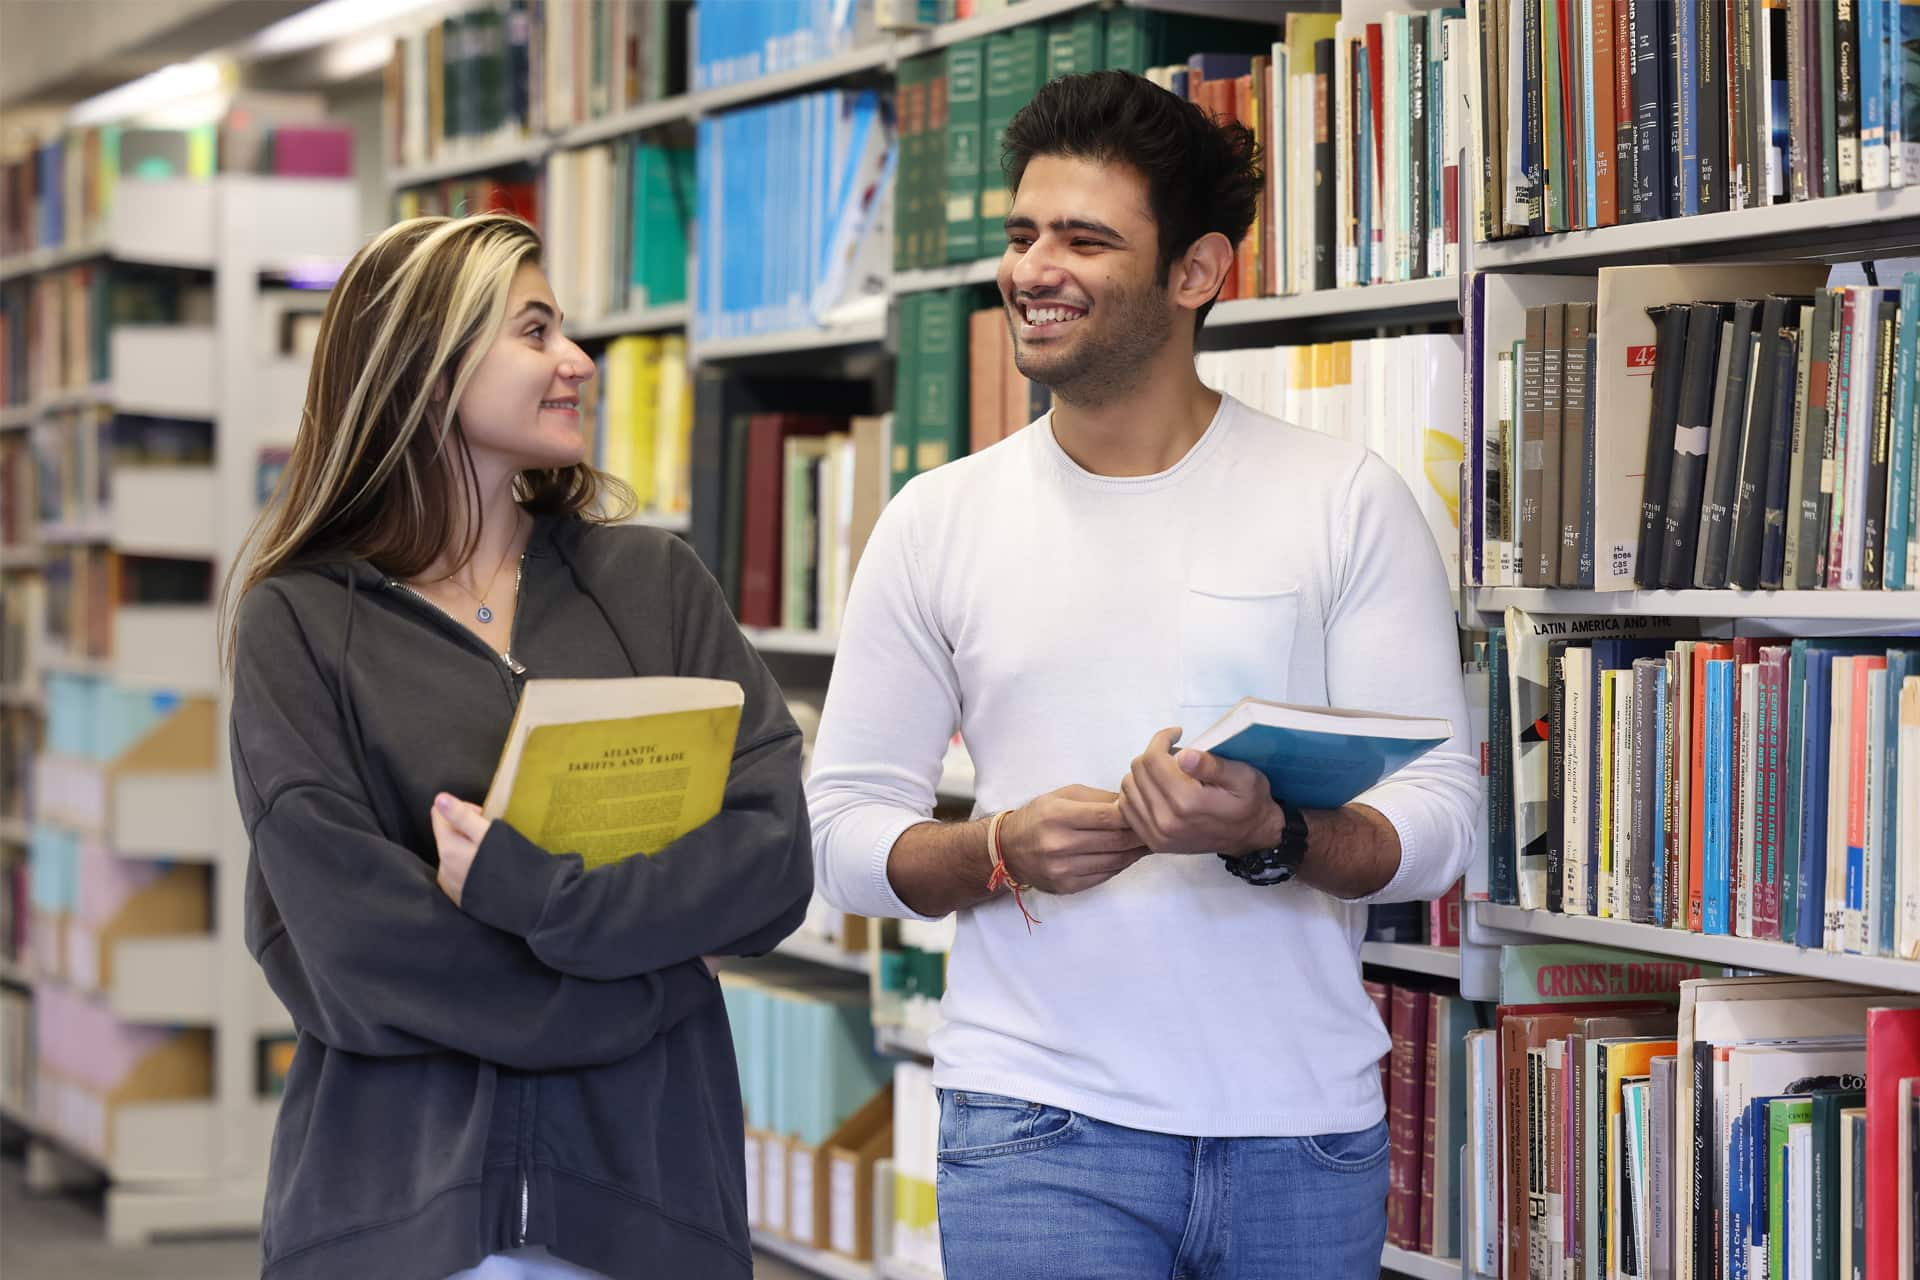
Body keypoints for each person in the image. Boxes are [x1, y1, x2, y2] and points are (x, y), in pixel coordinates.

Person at [807, 71, 1480, 1278]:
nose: (1032, 268)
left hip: (1305, 1131)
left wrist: (1272, 830)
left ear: (1197, 271)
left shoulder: (1341, 500)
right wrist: (997, 844)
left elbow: (1438, 821)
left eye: (1083, 237)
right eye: (1021, 234)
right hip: (1035, 1123)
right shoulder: (936, 519)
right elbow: (843, 828)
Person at [223, 213, 812, 1280]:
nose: (577, 361)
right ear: (425, 368)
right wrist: (652, 980)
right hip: (401, 1222)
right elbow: (355, 949)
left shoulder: (656, 586)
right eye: (534, 330)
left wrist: (537, 897)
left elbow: (770, 859)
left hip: (649, 1204)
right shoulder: (299, 622)